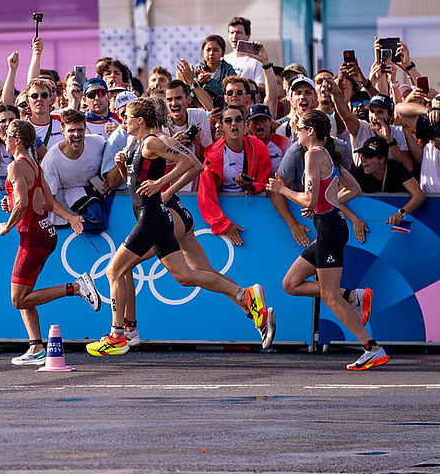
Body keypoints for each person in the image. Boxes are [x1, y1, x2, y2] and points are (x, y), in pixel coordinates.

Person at [86, 98, 275, 356]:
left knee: (116, 270)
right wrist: (122, 165)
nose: (122, 120)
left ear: (142, 119)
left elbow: (194, 165)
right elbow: (135, 179)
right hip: (160, 216)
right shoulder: (136, 143)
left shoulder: (157, 140)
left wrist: (163, 186)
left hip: (160, 216)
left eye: (127, 115)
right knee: (189, 275)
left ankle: (121, 332)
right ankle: (248, 299)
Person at [266, 109, 387, 370]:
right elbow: (354, 189)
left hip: (330, 229)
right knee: (290, 283)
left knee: (329, 297)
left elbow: (308, 199)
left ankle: (372, 347)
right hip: (329, 225)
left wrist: (282, 189)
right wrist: (326, 202)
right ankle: (353, 295)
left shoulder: (312, 155)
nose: (295, 132)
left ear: (310, 131)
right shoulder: (327, 154)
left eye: (298, 127)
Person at [0, 118, 101, 366]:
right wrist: (10, 204)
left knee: (18, 299)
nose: (5, 138)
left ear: (17, 140)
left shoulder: (16, 167)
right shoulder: (34, 164)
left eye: (7, 135)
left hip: (32, 236)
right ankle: (36, 347)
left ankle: (75, 288)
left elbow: (24, 203)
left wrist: (6, 225)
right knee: (24, 292)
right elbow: (44, 202)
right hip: (45, 231)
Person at [197, 105, 272, 246]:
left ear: (244, 123)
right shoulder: (212, 156)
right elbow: (205, 196)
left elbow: (264, 180)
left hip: (254, 205)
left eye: (238, 119)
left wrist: (251, 185)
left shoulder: (258, 146)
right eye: (228, 121)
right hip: (223, 210)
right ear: (222, 126)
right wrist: (224, 225)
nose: (234, 124)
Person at [40, 109, 105, 229]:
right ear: (62, 131)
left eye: (80, 129)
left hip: (93, 203)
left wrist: (105, 180)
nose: (76, 134)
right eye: (71, 130)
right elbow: (47, 200)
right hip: (62, 214)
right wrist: (70, 218)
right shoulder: (51, 159)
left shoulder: (99, 143)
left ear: (85, 129)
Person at [354, 136, 426, 227]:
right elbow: (338, 198)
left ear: (382, 159)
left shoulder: (396, 169)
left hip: (396, 226)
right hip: (371, 225)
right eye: (362, 155)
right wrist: (355, 220)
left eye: (368, 156)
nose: (363, 160)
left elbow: (419, 195)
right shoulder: (360, 172)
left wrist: (401, 213)